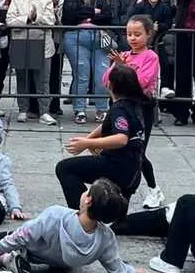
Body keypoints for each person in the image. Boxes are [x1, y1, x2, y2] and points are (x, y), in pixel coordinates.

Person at [0, 177, 140, 273]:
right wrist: (131, 272)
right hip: (59, 262)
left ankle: (5, 258)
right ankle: (10, 258)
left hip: (34, 251)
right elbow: (117, 270)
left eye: (88, 190)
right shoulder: (106, 237)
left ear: (88, 200)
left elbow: (24, 234)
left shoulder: (57, 215)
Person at [55, 64, 146, 206]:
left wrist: (88, 144)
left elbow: (121, 139)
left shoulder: (119, 109)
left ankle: (84, 210)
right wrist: (88, 139)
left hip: (117, 167)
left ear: (110, 85)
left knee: (64, 168)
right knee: (118, 223)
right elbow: (107, 125)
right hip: (133, 170)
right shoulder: (135, 105)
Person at [106, 15, 163, 209]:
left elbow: (142, 82)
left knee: (138, 152)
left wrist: (124, 67)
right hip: (120, 108)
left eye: (138, 34)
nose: (132, 38)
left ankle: (153, 189)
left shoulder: (151, 57)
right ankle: (117, 188)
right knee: (119, 150)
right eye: (129, 34)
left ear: (148, 34)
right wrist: (116, 65)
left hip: (141, 108)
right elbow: (107, 80)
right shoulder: (125, 55)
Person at [61, 0, 113, 124]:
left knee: (101, 76)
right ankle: (80, 109)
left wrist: (87, 18)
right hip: (75, 40)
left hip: (99, 40)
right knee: (82, 75)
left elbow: (108, 16)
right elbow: (69, 17)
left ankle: (102, 109)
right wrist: (93, 12)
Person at [6, 0, 56, 125]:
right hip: (21, 42)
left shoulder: (46, 0)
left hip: (43, 45)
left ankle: (44, 112)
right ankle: (23, 110)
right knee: (22, 80)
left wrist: (36, 18)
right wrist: (27, 19)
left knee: (43, 81)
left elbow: (50, 21)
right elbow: (10, 20)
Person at [133, 0, 175, 100]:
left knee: (164, 64)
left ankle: (164, 88)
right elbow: (133, 18)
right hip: (142, 43)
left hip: (158, 41)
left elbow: (168, 23)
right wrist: (148, 26)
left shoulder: (164, 8)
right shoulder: (140, 6)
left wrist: (159, 27)